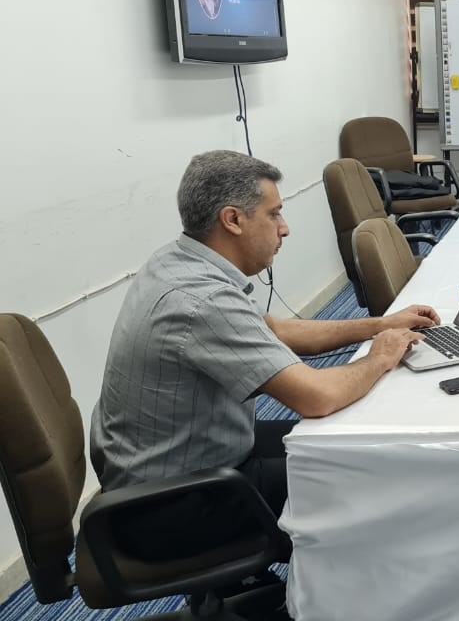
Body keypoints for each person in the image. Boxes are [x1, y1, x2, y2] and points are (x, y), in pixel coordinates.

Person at [90, 150, 438, 559]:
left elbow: (276, 330)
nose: (284, 228)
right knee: (372, 478)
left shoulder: (177, 260)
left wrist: (378, 325)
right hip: (173, 508)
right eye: (274, 214)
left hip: (175, 467)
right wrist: (380, 357)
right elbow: (318, 396)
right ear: (233, 220)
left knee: (351, 444)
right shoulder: (203, 300)